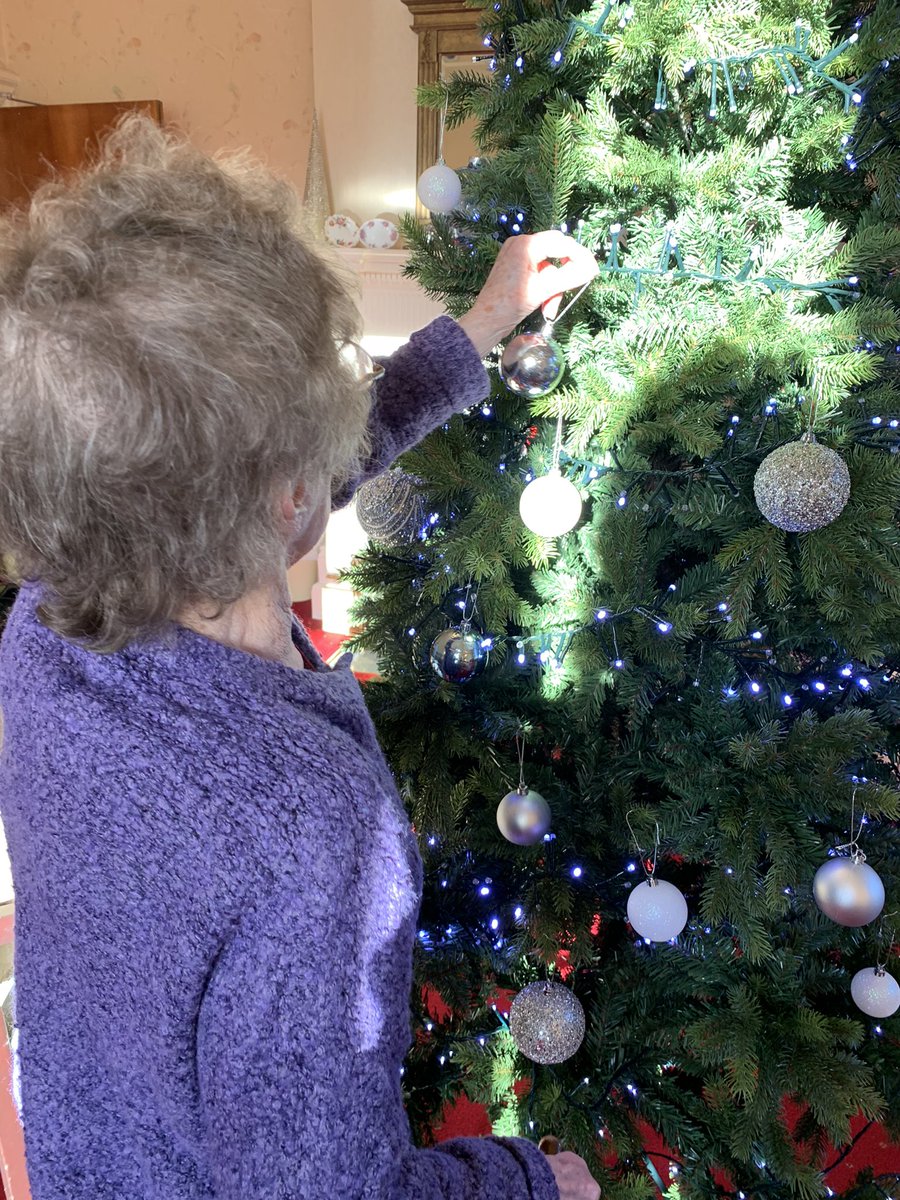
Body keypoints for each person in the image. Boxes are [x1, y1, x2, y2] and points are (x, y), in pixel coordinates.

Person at [0, 113, 600, 1200]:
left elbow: (226, 479)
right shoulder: (311, 824)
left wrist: (475, 327)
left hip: (90, 1149)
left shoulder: (42, 621)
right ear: (286, 494)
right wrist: (527, 1182)